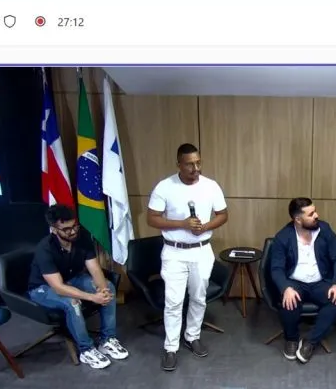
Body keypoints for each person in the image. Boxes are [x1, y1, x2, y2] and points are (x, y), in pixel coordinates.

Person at [146, 143, 228, 372]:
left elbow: (223, 214)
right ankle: (171, 347)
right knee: (173, 301)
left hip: (201, 251)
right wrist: (182, 224)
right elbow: (152, 218)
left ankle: (193, 336)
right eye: (190, 164)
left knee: (199, 297)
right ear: (179, 165)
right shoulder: (165, 187)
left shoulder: (211, 186)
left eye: (198, 163)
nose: (196, 168)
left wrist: (206, 227)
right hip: (174, 252)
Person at [26, 204, 128, 369]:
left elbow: (94, 268)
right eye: (67, 229)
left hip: (72, 279)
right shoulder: (45, 248)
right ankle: (86, 349)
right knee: (72, 303)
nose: (73, 231)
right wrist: (92, 297)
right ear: (54, 229)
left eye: (74, 226)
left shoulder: (82, 237)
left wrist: (103, 291)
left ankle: (107, 339)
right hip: (43, 288)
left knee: (108, 286)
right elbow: (58, 287)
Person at [269, 198, 336, 364]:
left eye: (315, 211)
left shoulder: (324, 230)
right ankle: (291, 339)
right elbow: (276, 268)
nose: (316, 215)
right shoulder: (283, 237)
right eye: (311, 214)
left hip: (320, 282)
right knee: (289, 301)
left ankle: (311, 341)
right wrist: (286, 288)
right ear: (298, 219)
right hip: (295, 282)